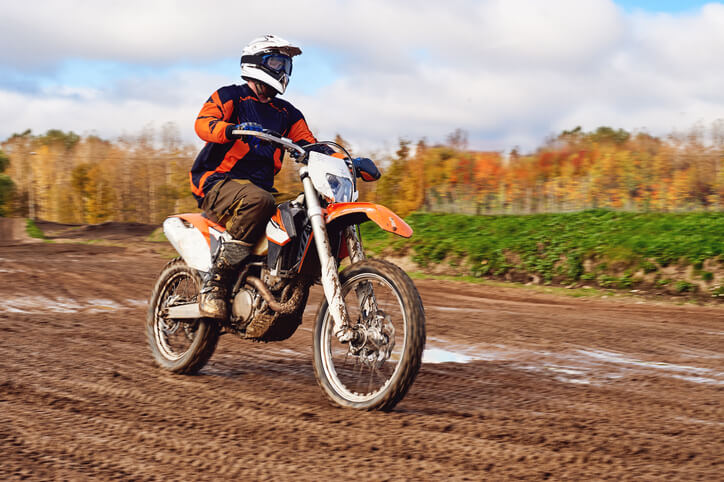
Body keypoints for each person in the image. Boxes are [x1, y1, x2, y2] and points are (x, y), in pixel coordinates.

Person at [189, 34, 321, 319]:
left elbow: (309, 142)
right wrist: (229, 130)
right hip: (217, 181)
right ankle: (216, 282)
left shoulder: (286, 113)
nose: (283, 71)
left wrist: (344, 159)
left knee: (301, 211)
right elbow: (202, 123)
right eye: (277, 62)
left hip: (258, 189)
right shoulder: (230, 96)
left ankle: (277, 283)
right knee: (259, 201)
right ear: (255, 62)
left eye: (287, 65)